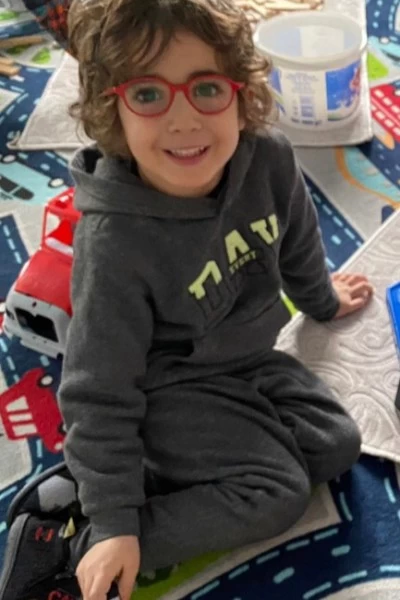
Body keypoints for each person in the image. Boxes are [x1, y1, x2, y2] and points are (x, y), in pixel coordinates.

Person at [0, 1, 374, 599]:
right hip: (164, 386)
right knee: (276, 491)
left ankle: (141, 478)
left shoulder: (269, 157)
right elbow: (98, 388)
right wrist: (116, 522)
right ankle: (82, 539)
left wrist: (322, 299)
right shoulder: (116, 242)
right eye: (148, 94)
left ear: (241, 94)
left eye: (206, 89)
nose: (183, 120)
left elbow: (297, 241)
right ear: (112, 109)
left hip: (247, 360)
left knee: (336, 445)